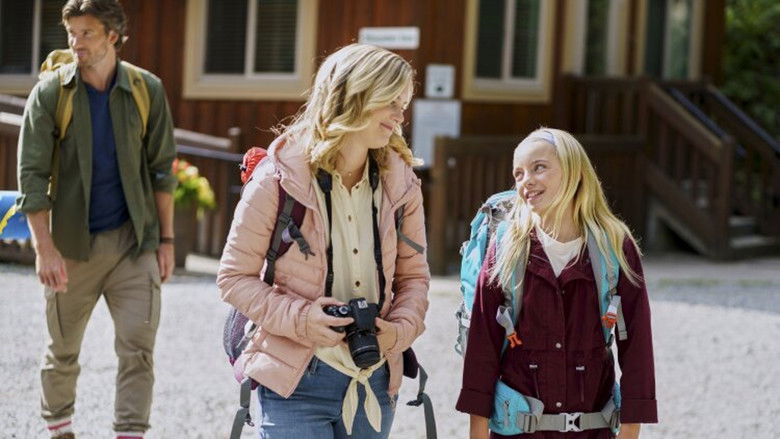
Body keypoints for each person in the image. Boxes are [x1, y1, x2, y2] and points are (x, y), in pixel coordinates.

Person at [217, 43, 430, 439]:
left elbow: (414, 278)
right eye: (391, 102)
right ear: (355, 94)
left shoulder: (402, 185)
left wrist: (399, 331)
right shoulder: (276, 180)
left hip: (374, 381)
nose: (401, 116)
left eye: (403, 104)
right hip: (294, 381)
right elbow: (233, 278)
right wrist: (303, 320)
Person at [15, 1, 176, 438]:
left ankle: (130, 431)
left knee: (138, 349)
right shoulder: (51, 94)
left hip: (133, 245)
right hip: (71, 247)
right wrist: (44, 249)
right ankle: (61, 429)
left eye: (86, 33)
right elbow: (31, 177)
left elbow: (162, 170)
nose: (76, 42)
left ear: (113, 36)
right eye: (71, 33)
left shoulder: (146, 89)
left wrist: (165, 241)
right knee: (63, 350)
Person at [456, 128, 657, 438]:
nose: (526, 181)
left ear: (574, 171)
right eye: (519, 174)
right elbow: (483, 345)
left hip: (593, 429)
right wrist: (477, 430)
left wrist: (631, 429)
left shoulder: (616, 245)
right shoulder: (506, 245)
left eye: (539, 167)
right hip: (518, 432)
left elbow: (637, 343)